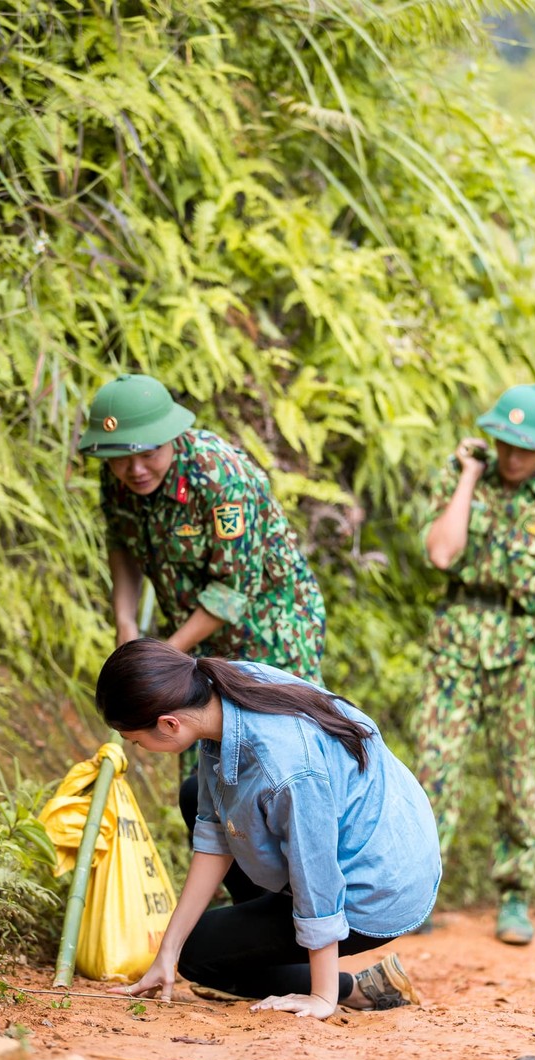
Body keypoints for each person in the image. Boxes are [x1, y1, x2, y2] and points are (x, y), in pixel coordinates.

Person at [95, 638, 442, 1019]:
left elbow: (317, 873)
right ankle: (263, 946)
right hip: (374, 827)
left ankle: (354, 989)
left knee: (200, 957)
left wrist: (323, 996)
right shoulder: (219, 689)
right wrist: (166, 953)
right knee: (196, 794)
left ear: (169, 724)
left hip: (379, 883)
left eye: (135, 741)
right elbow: (213, 833)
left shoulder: (283, 767)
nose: (138, 748)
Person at [79, 372, 327, 903]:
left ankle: (309, 908)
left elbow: (233, 591)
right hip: (192, 640)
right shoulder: (121, 476)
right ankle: (247, 913)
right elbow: (122, 545)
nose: (134, 468)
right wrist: (126, 622)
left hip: (272, 629)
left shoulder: (221, 477)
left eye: (146, 453)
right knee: (203, 772)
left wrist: (165, 653)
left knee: (274, 762)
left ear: (171, 436)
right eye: (119, 458)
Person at [415, 384, 535, 946]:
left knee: (519, 779)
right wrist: (469, 477)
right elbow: (442, 553)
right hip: (457, 640)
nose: (513, 458)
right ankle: (416, 894)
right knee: (434, 767)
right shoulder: (464, 473)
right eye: (505, 444)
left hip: (526, 652)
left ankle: (515, 896)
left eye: (526, 449)